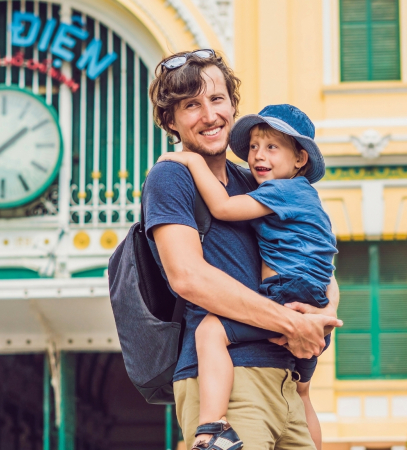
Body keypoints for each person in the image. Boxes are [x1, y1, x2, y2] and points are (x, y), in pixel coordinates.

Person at [144, 48, 342, 450]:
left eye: (217, 100)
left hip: (285, 382)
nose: (209, 114)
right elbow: (188, 277)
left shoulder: (257, 180)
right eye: (191, 105)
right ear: (170, 120)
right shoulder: (172, 176)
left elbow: (319, 257)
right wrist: (290, 324)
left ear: (233, 106)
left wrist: (324, 314)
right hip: (231, 385)